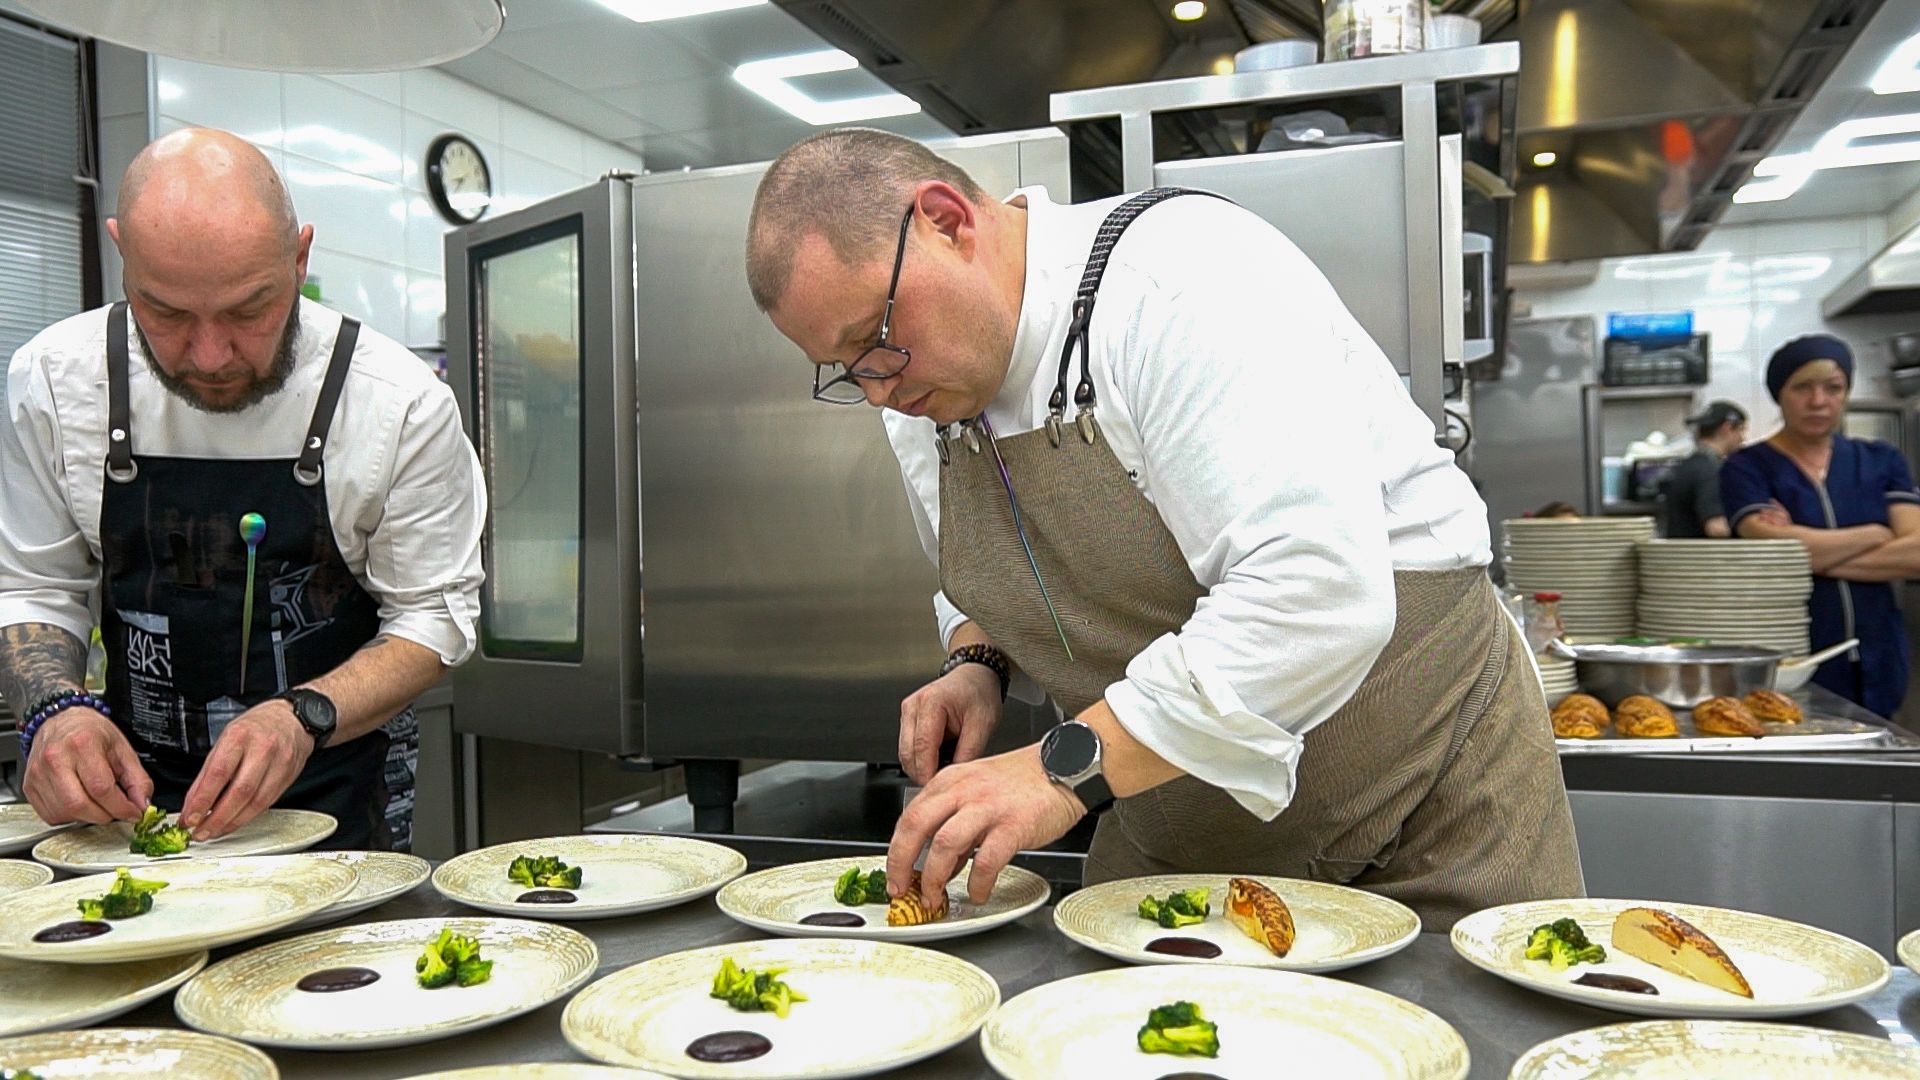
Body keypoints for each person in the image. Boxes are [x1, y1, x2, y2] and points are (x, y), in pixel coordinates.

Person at [744, 129, 1583, 929]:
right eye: (845, 369)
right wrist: (979, 661)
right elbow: (1007, 564)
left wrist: (1055, 770)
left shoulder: (1180, 282)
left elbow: (1315, 590)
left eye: (875, 340)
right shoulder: (920, 390)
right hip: (1177, 800)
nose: (878, 389)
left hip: (1421, 784)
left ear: (947, 221)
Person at [0, 128, 486, 850]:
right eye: (164, 313)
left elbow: (432, 619)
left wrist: (302, 716)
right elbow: (35, 585)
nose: (210, 355)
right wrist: (56, 710)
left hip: (337, 791)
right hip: (123, 806)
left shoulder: (396, 404)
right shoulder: (56, 382)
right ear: (120, 253)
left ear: (299, 257)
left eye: (248, 310)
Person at [1722, 334, 1918, 718]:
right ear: (1780, 394)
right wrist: (1877, 534)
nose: (1818, 401)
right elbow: (1764, 542)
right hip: (1791, 655)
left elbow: (1915, 554)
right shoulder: (1747, 467)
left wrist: (1806, 550)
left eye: (1833, 388)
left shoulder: (1880, 460)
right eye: (1802, 388)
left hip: (1880, 651)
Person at [1661, 400, 1747, 538]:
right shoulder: (1709, 470)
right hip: (1700, 557)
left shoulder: (1688, 465)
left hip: (1680, 555)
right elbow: (1717, 528)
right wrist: (1754, 527)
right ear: (1727, 428)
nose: (1742, 439)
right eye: (1741, 430)